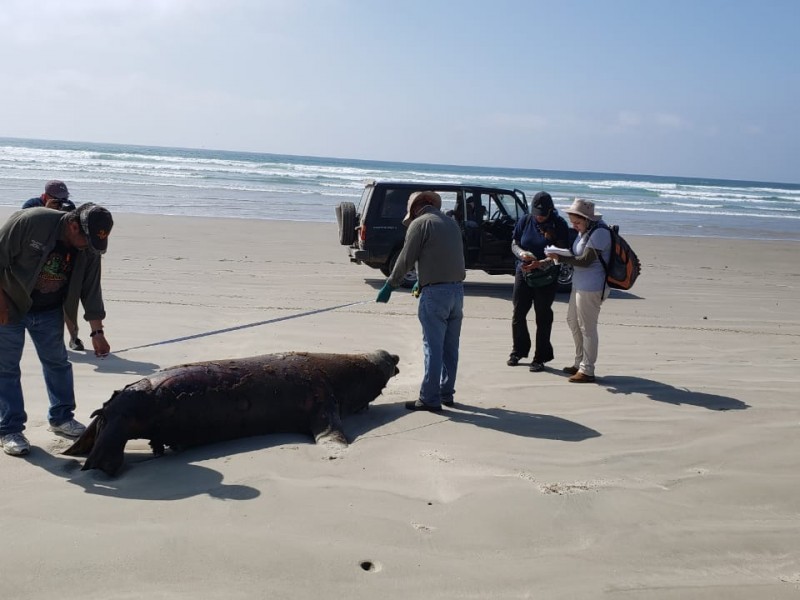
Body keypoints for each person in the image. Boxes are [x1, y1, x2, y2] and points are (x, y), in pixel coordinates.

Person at [0, 202, 113, 456]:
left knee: (58, 363)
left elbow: (91, 290)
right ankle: (10, 429)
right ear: (73, 225)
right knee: (6, 368)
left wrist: (97, 333)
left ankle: (61, 418)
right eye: (86, 240)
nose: (89, 247)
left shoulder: (90, 246)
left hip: (50, 310)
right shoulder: (30, 222)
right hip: (10, 304)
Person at [376, 191, 466, 412]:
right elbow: (447, 256)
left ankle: (429, 398)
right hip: (457, 291)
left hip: (436, 295)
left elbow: (406, 258)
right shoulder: (450, 223)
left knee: (432, 348)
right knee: (450, 348)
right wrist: (422, 280)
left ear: (415, 209)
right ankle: (446, 393)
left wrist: (390, 285)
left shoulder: (420, 224)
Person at [545, 198, 611, 383]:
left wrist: (560, 257)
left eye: (577, 222)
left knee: (587, 328)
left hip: (592, 287)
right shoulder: (587, 230)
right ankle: (579, 361)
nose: (574, 226)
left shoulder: (600, 232)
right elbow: (579, 256)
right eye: (572, 222)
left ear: (587, 219)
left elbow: (586, 260)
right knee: (572, 320)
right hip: (579, 283)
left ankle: (587, 370)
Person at [508, 191, 571, 372]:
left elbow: (561, 254)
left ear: (551, 210)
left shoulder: (559, 224)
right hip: (524, 271)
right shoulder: (525, 220)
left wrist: (541, 263)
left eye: (543, 213)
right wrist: (522, 254)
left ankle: (540, 357)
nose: (540, 217)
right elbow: (514, 243)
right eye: (537, 213)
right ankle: (518, 350)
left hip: (547, 275)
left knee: (542, 315)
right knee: (518, 313)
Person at [22, 180, 83, 350]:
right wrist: (48, 210)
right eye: (58, 199)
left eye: (65, 198)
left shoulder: (68, 206)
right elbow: (26, 230)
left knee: (66, 301)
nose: (62, 202)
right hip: (37, 260)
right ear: (46, 195)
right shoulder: (32, 205)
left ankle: (74, 337)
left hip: (61, 258)